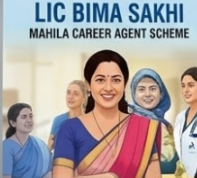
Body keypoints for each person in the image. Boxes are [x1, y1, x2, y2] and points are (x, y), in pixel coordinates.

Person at [52, 50, 162, 178]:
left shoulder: (143, 130)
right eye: (100, 80)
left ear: (124, 84)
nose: (108, 87)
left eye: (116, 80)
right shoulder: (69, 130)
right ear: (88, 85)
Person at [130, 68, 179, 176]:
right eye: (141, 89)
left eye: (153, 88)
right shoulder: (127, 126)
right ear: (134, 94)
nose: (147, 94)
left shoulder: (166, 126)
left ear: (161, 94)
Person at [3, 103, 51, 178]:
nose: (29, 120)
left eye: (31, 116)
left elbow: (48, 172)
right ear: (13, 123)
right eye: (24, 117)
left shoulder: (40, 144)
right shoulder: (6, 147)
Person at [47, 80, 87, 152]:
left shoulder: (90, 122)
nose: (70, 97)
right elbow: (49, 148)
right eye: (68, 93)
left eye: (76, 94)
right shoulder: (58, 120)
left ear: (84, 98)